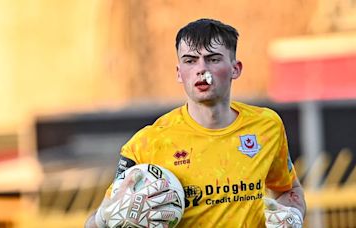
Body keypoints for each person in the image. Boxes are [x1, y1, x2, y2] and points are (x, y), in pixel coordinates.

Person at [85, 18, 306, 228]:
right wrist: (106, 217)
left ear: (235, 69)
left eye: (213, 59)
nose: (202, 69)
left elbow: (288, 190)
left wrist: (293, 215)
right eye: (190, 60)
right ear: (179, 73)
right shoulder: (149, 142)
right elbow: (97, 220)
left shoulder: (266, 127)